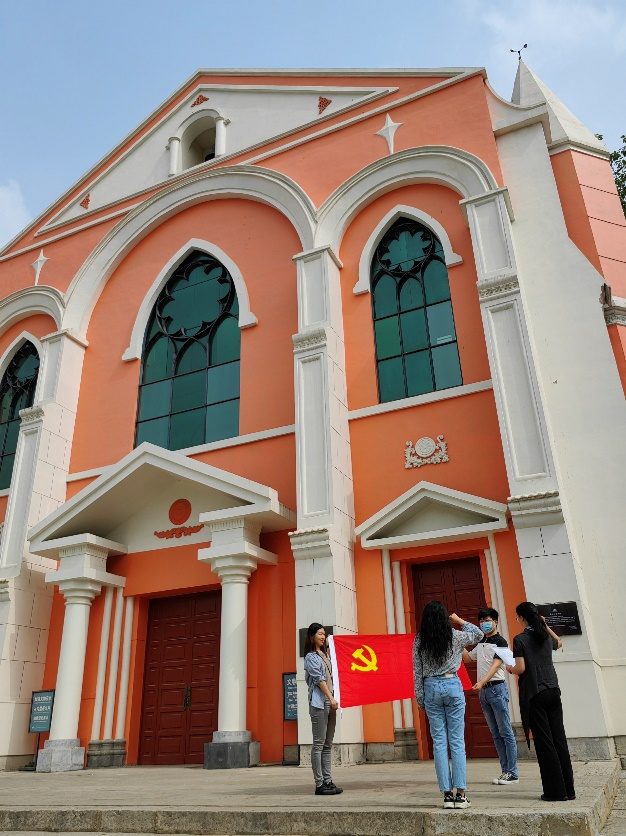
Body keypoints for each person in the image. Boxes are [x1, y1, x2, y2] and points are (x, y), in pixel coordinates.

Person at [413, 601, 483, 810]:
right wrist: (460, 621)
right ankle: (460, 795)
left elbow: (417, 671)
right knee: (457, 741)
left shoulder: (420, 639)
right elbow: (479, 635)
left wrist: (420, 698)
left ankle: (446, 795)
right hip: (452, 684)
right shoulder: (455, 635)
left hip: (430, 687)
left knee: (439, 742)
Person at [506, 601, 575, 802]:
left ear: (522, 618)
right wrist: (545, 625)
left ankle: (555, 792)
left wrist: (510, 669)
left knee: (545, 743)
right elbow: (559, 643)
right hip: (553, 690)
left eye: (517, 617)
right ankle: (569, 790)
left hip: (535, 693)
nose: (517, 620)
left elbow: (521, 668)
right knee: (559, 739)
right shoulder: (544, 636)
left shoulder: (520, 639)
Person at [463, 607, 519, 785]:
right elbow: (468, 658)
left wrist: (481, 682)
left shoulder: (500, 642)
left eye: (487, 621)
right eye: (481, 621)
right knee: (495, 733)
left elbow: (496, 666)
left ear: (495, 622)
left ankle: (513, 772)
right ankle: (505, 771)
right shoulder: (482, 642)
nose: (484, 624)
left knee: (505, 731)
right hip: (485, 693)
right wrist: (459, 643)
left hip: (496, 689)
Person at [303, 622, 343, 796]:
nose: (323, 637)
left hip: (331, 702)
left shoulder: (326, 655)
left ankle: (328, 781)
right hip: (320, 703)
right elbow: (320, 680)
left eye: (324, 634)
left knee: (327, 744)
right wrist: (331, 698)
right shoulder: (311, 657)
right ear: (312, 636)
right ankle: (319, 784)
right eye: (320, 634)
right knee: (318, 744)